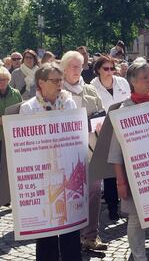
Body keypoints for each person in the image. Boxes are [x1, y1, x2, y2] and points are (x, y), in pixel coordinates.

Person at [108, 58, 149, 261]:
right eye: (144, 77)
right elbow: (115, 152)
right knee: (137, 219)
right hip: (137, 176)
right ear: (133, 82)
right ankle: (139, 256)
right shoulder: (123, 111)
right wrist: (120, 181)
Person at [19, 63, 81, 261]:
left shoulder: (69, 103)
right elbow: (24, 144)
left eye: (60, 80)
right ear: (41, 83)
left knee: (70, 225)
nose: (59, 84)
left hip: (66, 170)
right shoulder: (29, 108)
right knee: (46, 229)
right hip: (43, 174)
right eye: (54, 80)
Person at [60, 51, 107, 250]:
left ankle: (90, 236)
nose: (76, 70)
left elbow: (102, 114)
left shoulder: (90, 91)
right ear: (63, 68)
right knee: (68, 195)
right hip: (66, 154)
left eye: (79, 66)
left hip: (90, 150)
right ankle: (68, 238)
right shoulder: (58, 92)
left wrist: (100, 124)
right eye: (72, 66)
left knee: (95, 192)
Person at [91, 55, 130, 220]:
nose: (110, 72)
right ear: (98, 70)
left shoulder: (122, 83)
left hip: (125, 128)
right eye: (106, 69)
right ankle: (113, 208)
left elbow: (129, 102)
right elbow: (95, 111)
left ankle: (128, 206)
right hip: (105, 131)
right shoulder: (92, 87)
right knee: (110, 172)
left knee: (127, 168)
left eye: (112, 68)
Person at [0, 66, 22, 160]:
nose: (2, 82)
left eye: (4, 79)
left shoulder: (16, 93)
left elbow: (21, 110)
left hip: (12, 135)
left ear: (9, 79)